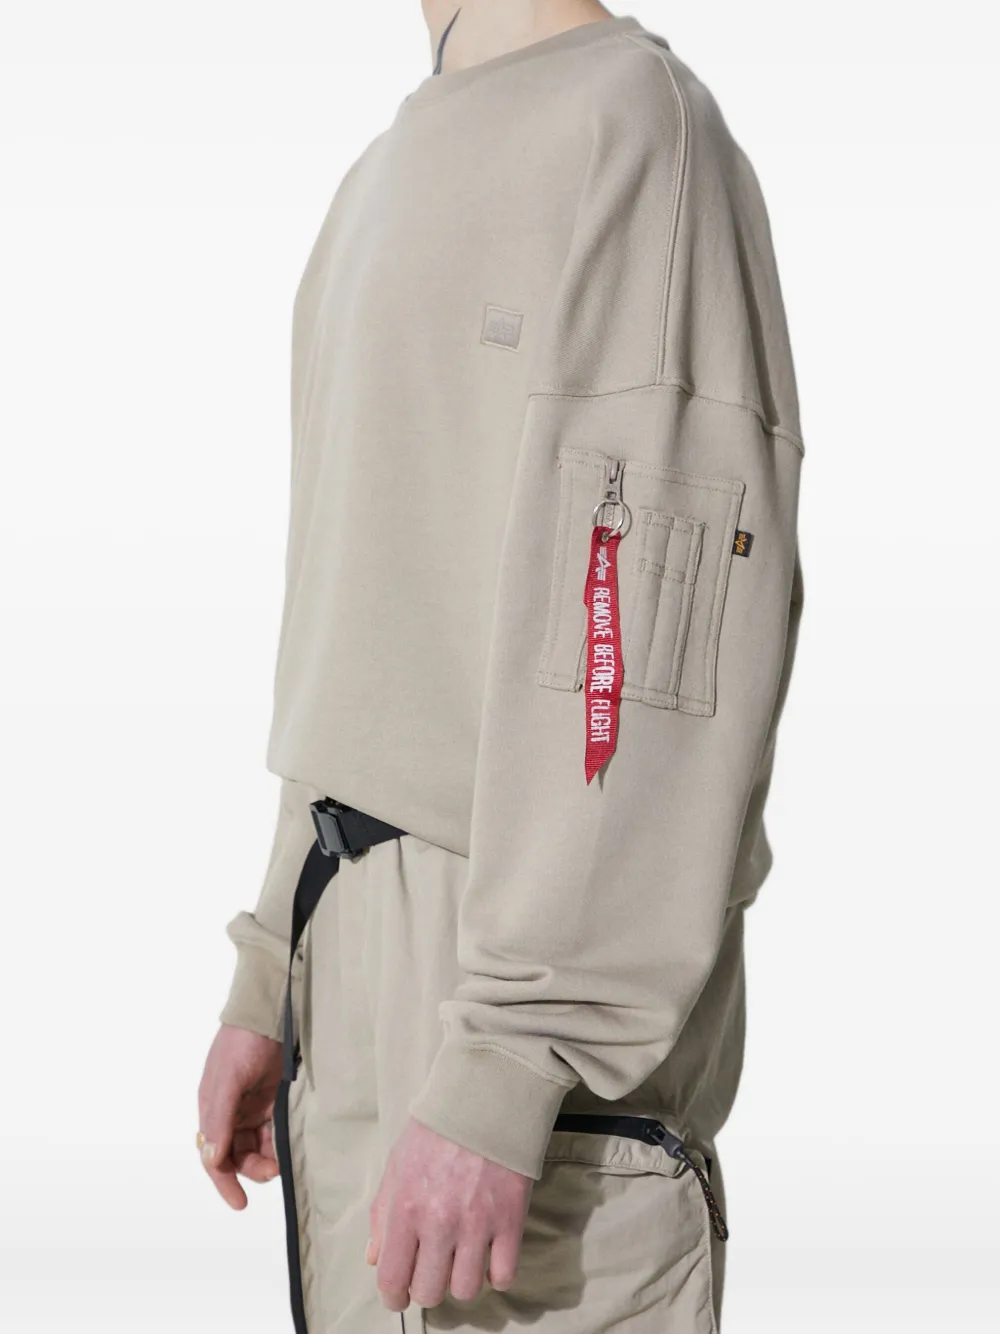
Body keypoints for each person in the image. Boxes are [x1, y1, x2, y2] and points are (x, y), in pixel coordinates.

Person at [196, 2, 805, 1331]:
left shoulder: (636, 131)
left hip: (526, 981)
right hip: (350, 968)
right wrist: (273, 962)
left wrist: (515, 1056)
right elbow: (361, 613)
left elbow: (655, 651)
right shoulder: (377, 175)